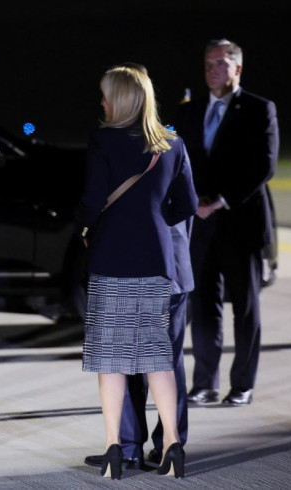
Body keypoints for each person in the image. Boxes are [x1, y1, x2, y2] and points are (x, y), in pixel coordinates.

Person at [76, 65, 197, 480]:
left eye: (107, 95)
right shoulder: (172, 143)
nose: (103, 102)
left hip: (112, 258)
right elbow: (186, 205)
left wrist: (85, 228)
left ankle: (114, 448)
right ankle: (172, 446)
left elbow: (93, 200)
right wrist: (152, 221)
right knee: (157, 356)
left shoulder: (104, 140)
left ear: (121, 99)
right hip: (157, 260)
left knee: (111, 359)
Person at [176, 39, 279, 406]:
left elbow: (264, 166)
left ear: (237, 68)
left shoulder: (258, 109)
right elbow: (183, 162)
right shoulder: (192, 110)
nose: (212, 70)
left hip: (241, 223)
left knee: (246, 308)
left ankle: (243, 384)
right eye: (207, 64)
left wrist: (221, 200)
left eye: (220, 63)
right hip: (202, 225)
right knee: (203, 307)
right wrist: (193, 203)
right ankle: (204, 383)